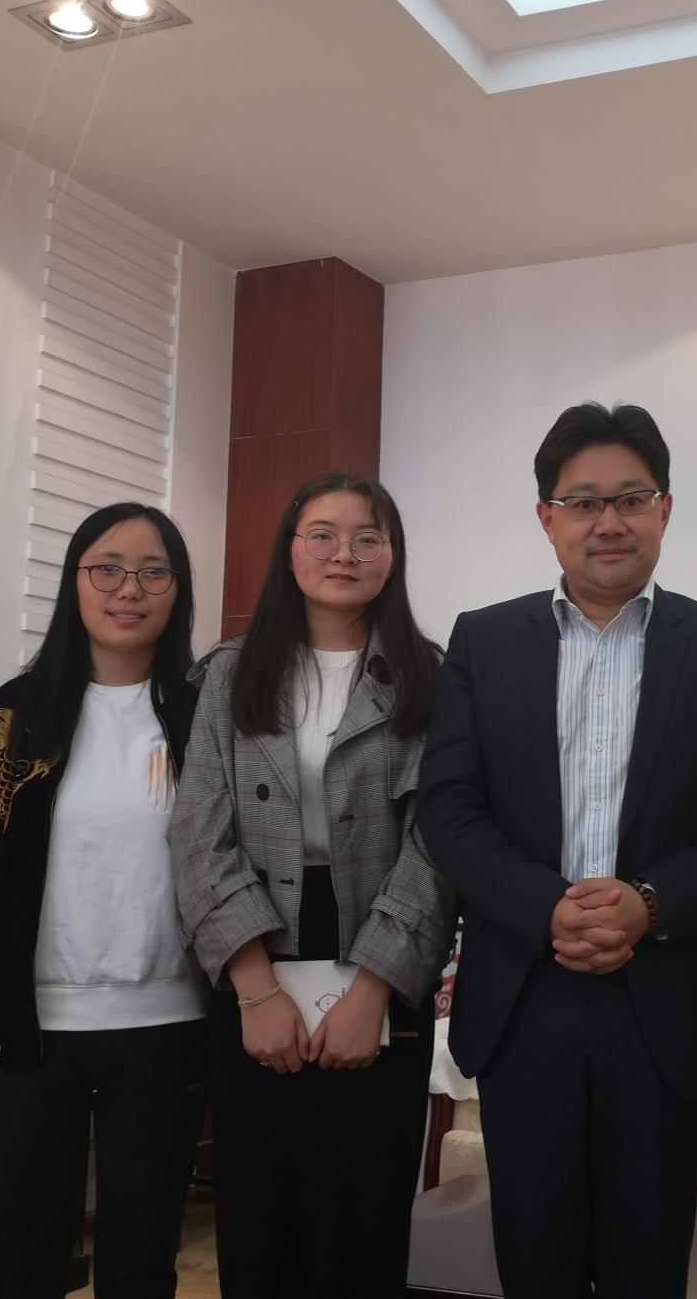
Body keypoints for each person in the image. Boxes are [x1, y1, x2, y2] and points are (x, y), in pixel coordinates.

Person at [417, 401, 697, 1298]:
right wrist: (546, 906)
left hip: (668, 1003)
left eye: (631, 498)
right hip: (525, 995)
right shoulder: (483, 641)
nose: (608, 521)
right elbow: (449, 810)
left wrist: (649, 904)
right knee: (534, 1264)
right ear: (548, 518)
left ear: (665, 509)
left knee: (647, 1270)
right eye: (583, 502)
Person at [169, 471, 454, 1299]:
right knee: (261, 1212)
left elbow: (438, 841)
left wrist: (374, 987)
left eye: (368, 537)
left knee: (367, 1214)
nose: (344, 553)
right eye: (322, 534)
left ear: (392, 556)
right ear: (290, 551)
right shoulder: (228, 674)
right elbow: (198, 832)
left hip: (381, 944)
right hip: (256, 947)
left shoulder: (431, 678)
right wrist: (255, 990)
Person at [0, 501, 207, 1299]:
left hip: (165, 1025)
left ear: (178, 590)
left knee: (140, 1265)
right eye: (107, 569)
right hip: (27, 1031)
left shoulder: (202, 715)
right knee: (20, 1261)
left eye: (153, 571)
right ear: (75, 582)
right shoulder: (18, 710)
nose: (129, 589)